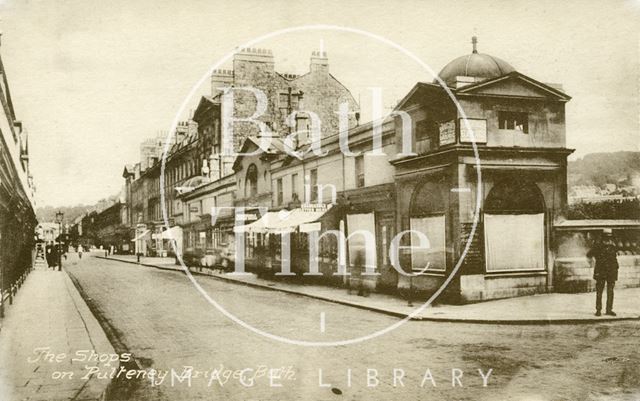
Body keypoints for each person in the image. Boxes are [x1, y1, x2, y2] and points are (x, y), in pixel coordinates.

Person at [587, 228, 619, 316]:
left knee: (610, 291)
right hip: (601, 272)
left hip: (611, 272)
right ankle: (598, 310)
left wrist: (615, 270)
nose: (608, 239)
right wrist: (592, 263)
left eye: (609, 237)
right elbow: (589, 255)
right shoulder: (597, 246)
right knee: (599, 292)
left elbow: (614, 259)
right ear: (603, 238)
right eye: (606, 237)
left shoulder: (613, 246)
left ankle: (609, 310)